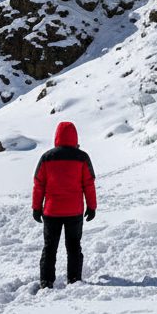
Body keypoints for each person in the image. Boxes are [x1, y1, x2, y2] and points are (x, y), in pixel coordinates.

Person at [32, 120, 97, 289]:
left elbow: (38, 184)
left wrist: (36, 208)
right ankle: (74, 279)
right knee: (74, 246)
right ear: (75, 136)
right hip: (74, 212)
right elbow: (89, 184)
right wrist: (92, 207)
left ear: (57, 136)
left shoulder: (47, 157)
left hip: (51, 211)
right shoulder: (82, 157)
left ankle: (46, 281)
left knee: (50, 248)